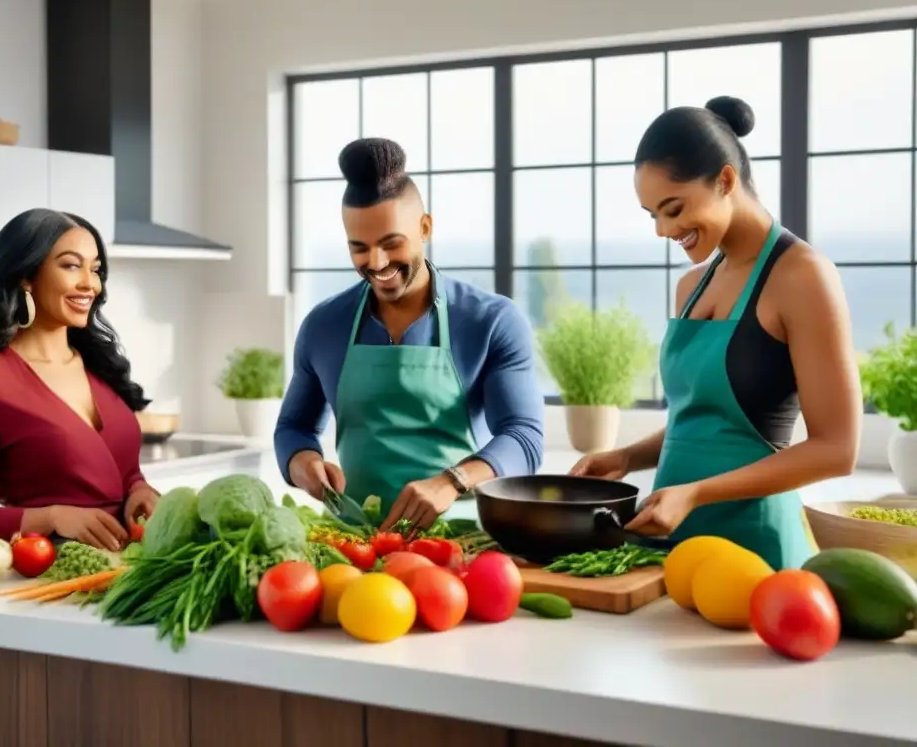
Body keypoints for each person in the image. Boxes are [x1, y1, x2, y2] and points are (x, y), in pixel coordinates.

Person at [571, 96, 863, 570]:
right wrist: (628, 456)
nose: (664, 230)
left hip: (756, 551)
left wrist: (699, 493)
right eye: (653, 215)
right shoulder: (691, 285)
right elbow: (706, 420)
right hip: (669, 543)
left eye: (674, 208)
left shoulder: (803, 277)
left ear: (725, 180)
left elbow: (837, 450)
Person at [276, 137, 544, 531]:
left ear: (425, 227)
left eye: (391, 244)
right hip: (355, 542)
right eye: (359, 249)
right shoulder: (324, 325)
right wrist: (302, 462)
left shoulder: (491, 320)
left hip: (462, 541)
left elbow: (524, 438)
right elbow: (293, 428)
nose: (377, 263)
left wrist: (451, 482)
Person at [0, 208, 159, 551]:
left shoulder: (99, 365)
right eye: (71, 265)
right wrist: (51, 517)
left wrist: (139, 490)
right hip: (48, 573)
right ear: (26, 275)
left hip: (132, 571)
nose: (90, 283)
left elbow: (122, 471)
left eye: (95, 269)